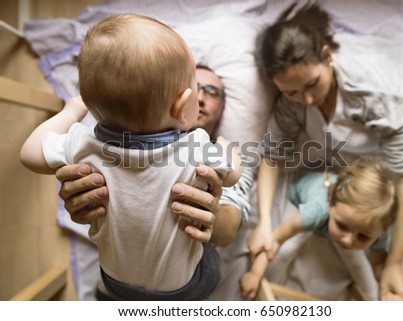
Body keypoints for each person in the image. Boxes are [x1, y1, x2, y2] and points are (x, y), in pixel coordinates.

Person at [20, 13, 243, 300]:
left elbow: (29, 154)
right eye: (198, 87)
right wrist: (229, 150)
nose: (201, 98)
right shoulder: (198, 147)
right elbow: (234, 172)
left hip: (115, 281)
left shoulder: (80, 142)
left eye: (213, 91)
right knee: (210, 266)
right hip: (181, 289)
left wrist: (70, 112)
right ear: (183, 104)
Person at [249, 3, 403, 300]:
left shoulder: (368, 89)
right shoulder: (291, 104)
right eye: (291, 91)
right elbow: (272, 155)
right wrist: (265, 224)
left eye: (312, 84)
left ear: (328, 57)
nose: (305, 99)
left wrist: (394, 264)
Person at [53, 65, 254, 300]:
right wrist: (84, 200)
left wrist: (209, 214)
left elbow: (229, 228)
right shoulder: (109, 144)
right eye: (193, 88)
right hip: (114, 288)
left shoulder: (232, 158)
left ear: (222, 108)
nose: (199, 97)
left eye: (211, 91)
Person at [240, 158, 399, 300]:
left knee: (359, 265)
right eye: (342, 226)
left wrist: (387, 291)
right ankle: (264, 288)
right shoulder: (315, 212)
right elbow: (275, 240)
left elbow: (377, 265)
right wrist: (255, 274)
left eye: (363, 237)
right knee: (287, 250)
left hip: (335, 202)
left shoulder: (379, 231)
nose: (348, 240)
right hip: (299, 199)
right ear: (330, 205)